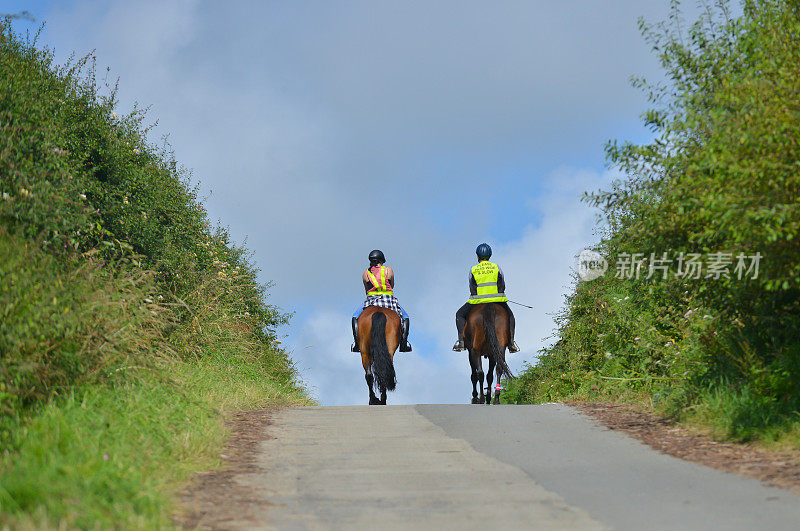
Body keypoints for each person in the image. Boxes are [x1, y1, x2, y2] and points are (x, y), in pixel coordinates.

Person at [452, 243, 520, 352]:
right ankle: (511, 343)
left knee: (459, 314)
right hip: (498, 300)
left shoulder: (473, 269)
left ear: (477, 256)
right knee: (510, 316)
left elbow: (471, 287)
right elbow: (502, 285)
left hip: (477, 301)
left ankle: (461, 342)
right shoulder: (497, 267)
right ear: (490, 255)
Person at [351, 249, 412, 352]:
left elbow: (367, 290)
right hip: (388, 300)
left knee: (355, 317)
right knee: (405, 317)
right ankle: (404, 344)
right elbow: (392, 285)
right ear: (382, 260)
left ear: (371, 261)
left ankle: (357, 344)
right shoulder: (388, 270)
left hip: (372, 300)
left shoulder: (366, 273)